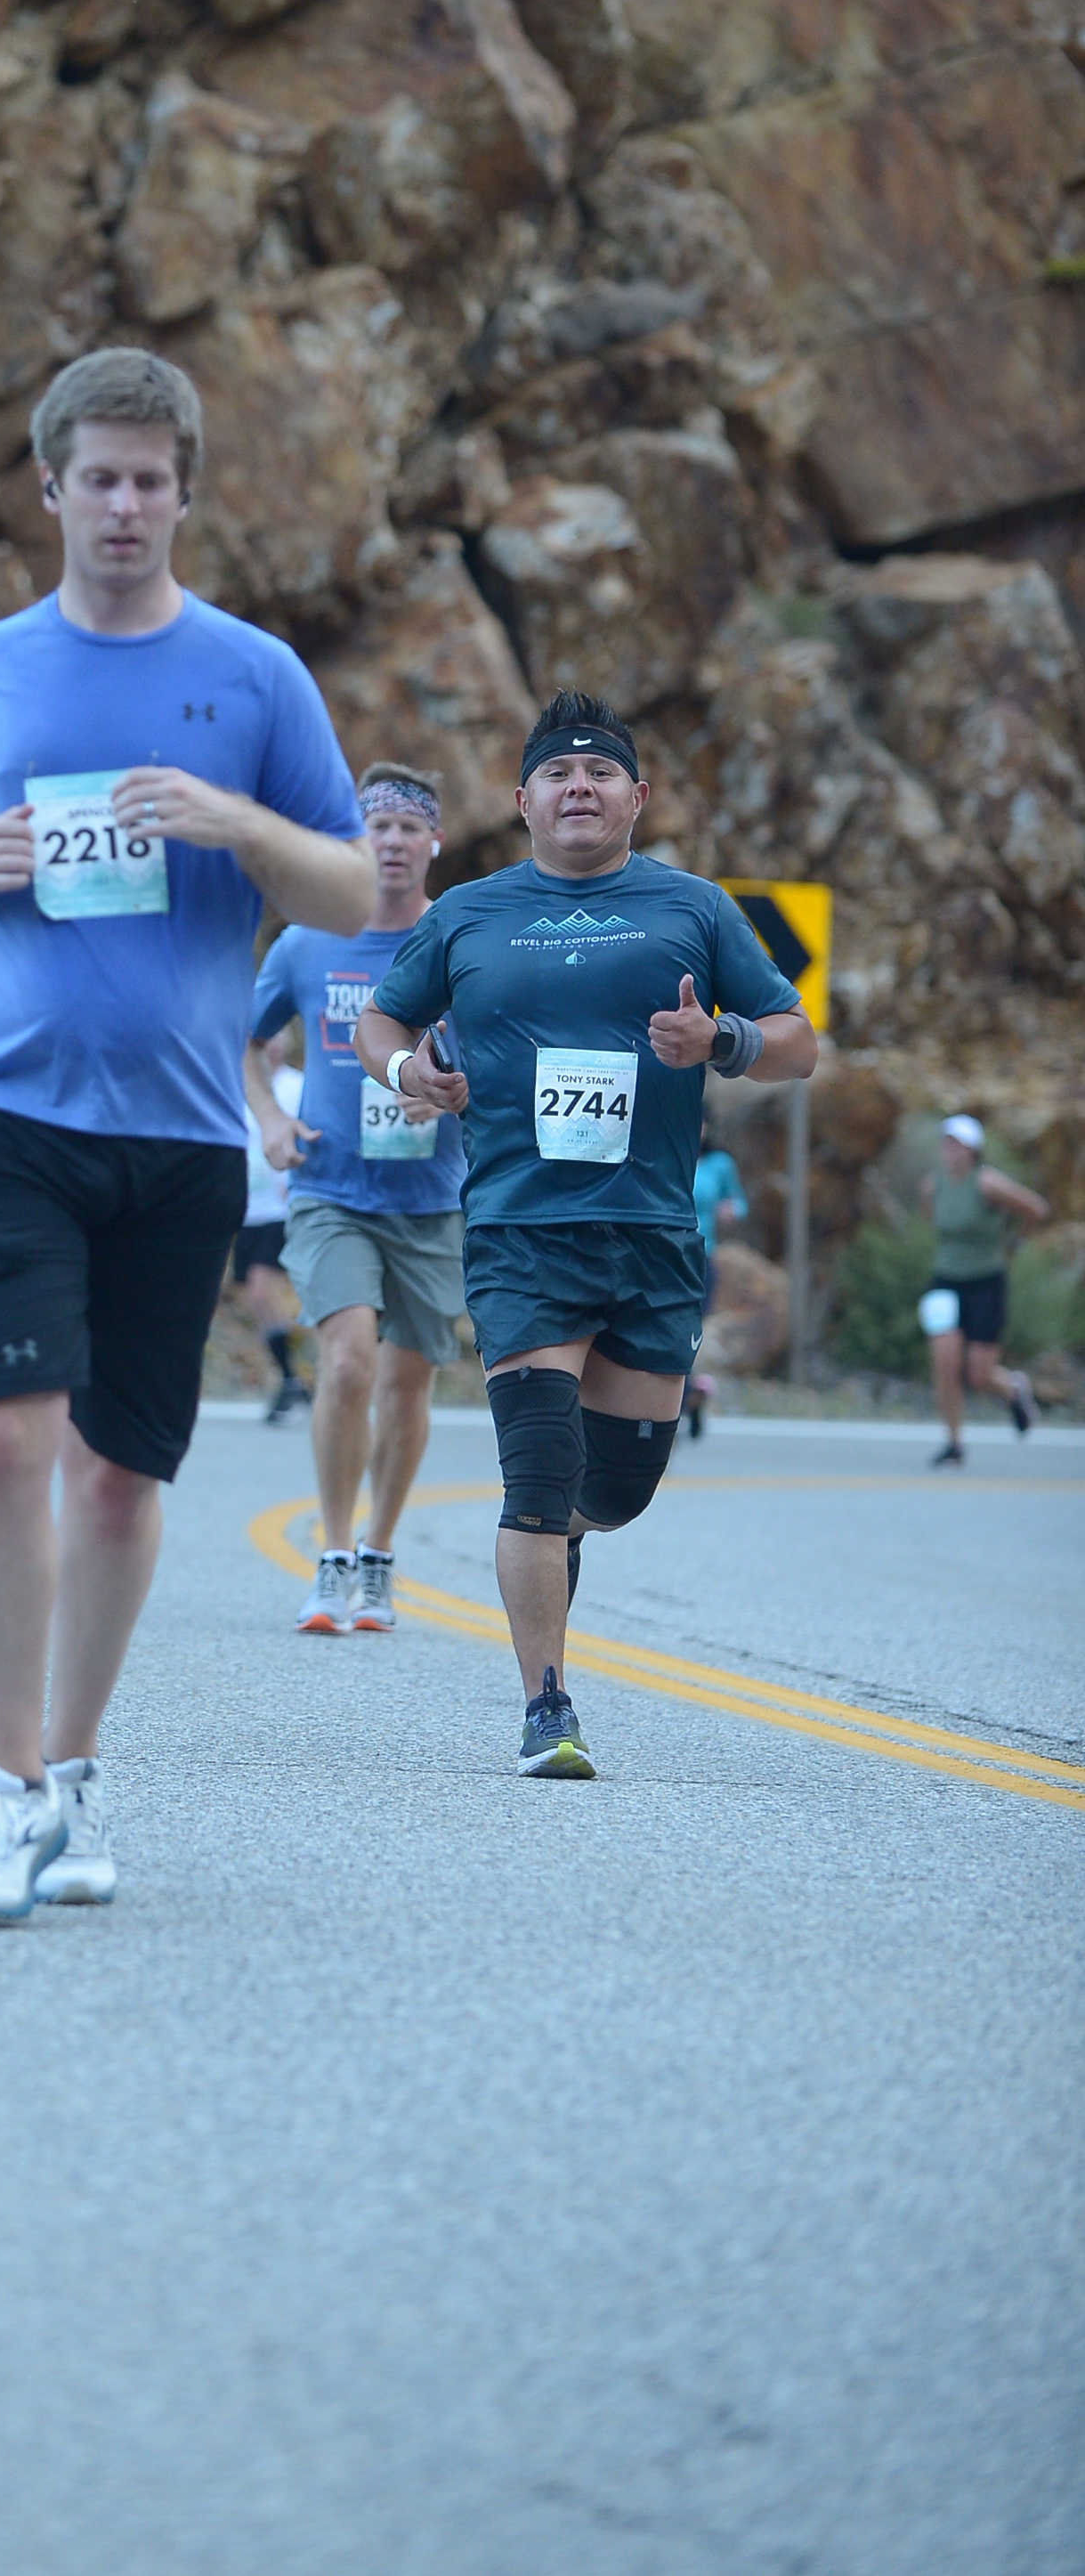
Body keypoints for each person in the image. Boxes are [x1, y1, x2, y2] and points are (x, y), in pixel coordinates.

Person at [0, 345, 373, 1919]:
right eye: (99, 477)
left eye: (152, 480)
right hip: (0, 1111)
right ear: (51, 487)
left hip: (180, 1136)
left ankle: (74, 1773)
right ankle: (3, 1787)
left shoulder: (257, 678)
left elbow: (353, 887)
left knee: (113, 1480)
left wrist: (238, 824)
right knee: (0, 1439)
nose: (125, 505)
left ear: (184, 494)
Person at [355, 689, 816, 1779]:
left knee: (608, 1494)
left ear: (635, 797)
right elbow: (381, 1017)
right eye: (557, 774)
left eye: (599, 772)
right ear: (521, 801)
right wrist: (407, 1071)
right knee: (533, 1474)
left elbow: (797, 1041)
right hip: (517, 1230)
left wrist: (720, 1041)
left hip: (650, 1233)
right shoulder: (467, 913)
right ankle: (545, 1708)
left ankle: (567, 1530)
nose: (578, 787)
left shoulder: (693, 907)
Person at [247, 762, 467, 1634]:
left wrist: (452, 1092)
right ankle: (332, 1556)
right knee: (346, 1364)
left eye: (410, 827)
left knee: (407, 1383)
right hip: (330, 1188)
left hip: (430, 1195)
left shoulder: (456, 942)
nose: (393, 842)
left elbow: (501, 1051)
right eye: (378, 827)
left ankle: (378, 1553)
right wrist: (270, 1118)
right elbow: (244, 1040)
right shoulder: (307, 941)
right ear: (355, 838)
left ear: (433, 842)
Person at [921, 1113, 1049, 1465]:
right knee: (945, 1361)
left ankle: (1014, 1390)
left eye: (959, 1144)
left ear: (973, 1150)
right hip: (945, 1281)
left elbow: (1036, 1209)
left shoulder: (988, 1183)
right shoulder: (932, 1186)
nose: (951, 1150)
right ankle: (954, 1442)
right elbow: (931, 1219)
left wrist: (1013, 1245)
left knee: (979, 1374)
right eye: (947, 1142)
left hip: (986, 1282)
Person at [231, 1030, 308, 1423]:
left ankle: (292, 1378)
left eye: (281, 1037)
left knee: (263, 1287)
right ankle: (293, 1378)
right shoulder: (241, 1086)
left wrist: (296, 1178)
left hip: (282, 1207)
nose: (274, 1045)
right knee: (252, 1294)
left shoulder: (297, 1086)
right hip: (248, 1208)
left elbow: (312, 1134)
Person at [684, 1119, 749, 1436]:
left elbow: (739, 1202)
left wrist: (731, 1210)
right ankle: (690, 1393)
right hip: (666, 1253)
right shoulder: (665, 1151)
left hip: (703, 1255)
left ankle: (687, 1392)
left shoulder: (719, 1164)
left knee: (691, 1329)